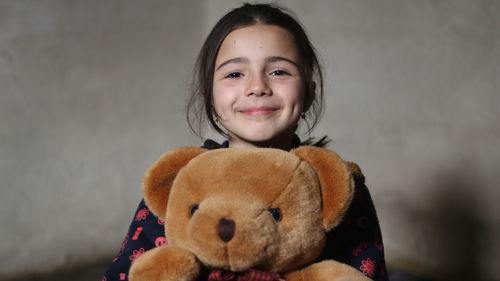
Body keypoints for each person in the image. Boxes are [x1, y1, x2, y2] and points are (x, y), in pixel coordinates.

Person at [102, 3, 388, 281]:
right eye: (235, 74)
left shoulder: (339, 188)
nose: (257, 87)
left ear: (309, 94)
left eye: (279, 72)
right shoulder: (182, 184)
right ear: (211, 97)